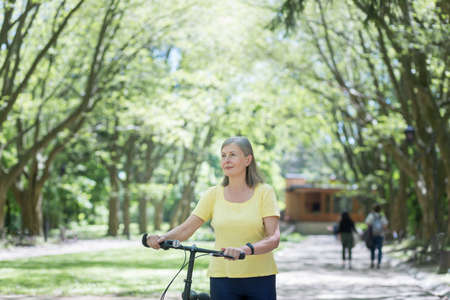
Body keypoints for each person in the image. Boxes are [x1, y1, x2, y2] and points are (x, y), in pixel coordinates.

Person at [146, 136, 280, 300]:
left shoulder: (264, 192)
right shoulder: (213, 194)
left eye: (232, 155)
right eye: (223, 155)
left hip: (260, 278)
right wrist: (163, 238)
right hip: (222, 278)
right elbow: (187, 228)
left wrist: (244, 250)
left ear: (248, 159)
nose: (227, 160)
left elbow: (273, 238)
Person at [365, 204, 388, 269]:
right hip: (380, 235)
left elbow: (367, 223)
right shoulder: (382, 217)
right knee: (380, 249)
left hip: (372, 235)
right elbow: (385, 225)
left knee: (372, 249)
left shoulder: (371, 216)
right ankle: (379, 263)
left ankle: (372, 262)